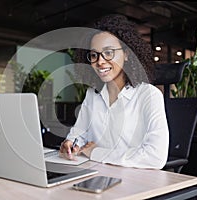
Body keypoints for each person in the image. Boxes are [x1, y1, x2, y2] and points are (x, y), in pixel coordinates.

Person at [59, 14, 169, 169]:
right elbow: (78, 136)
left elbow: (155, 157)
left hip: (137, 181)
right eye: (94, 55)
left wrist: (96, 152)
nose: (100, 61)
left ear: (126, 54)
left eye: (109, 52)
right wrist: (71, 145)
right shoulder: (92, 95)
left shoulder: (149, 96)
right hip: (98, 174)